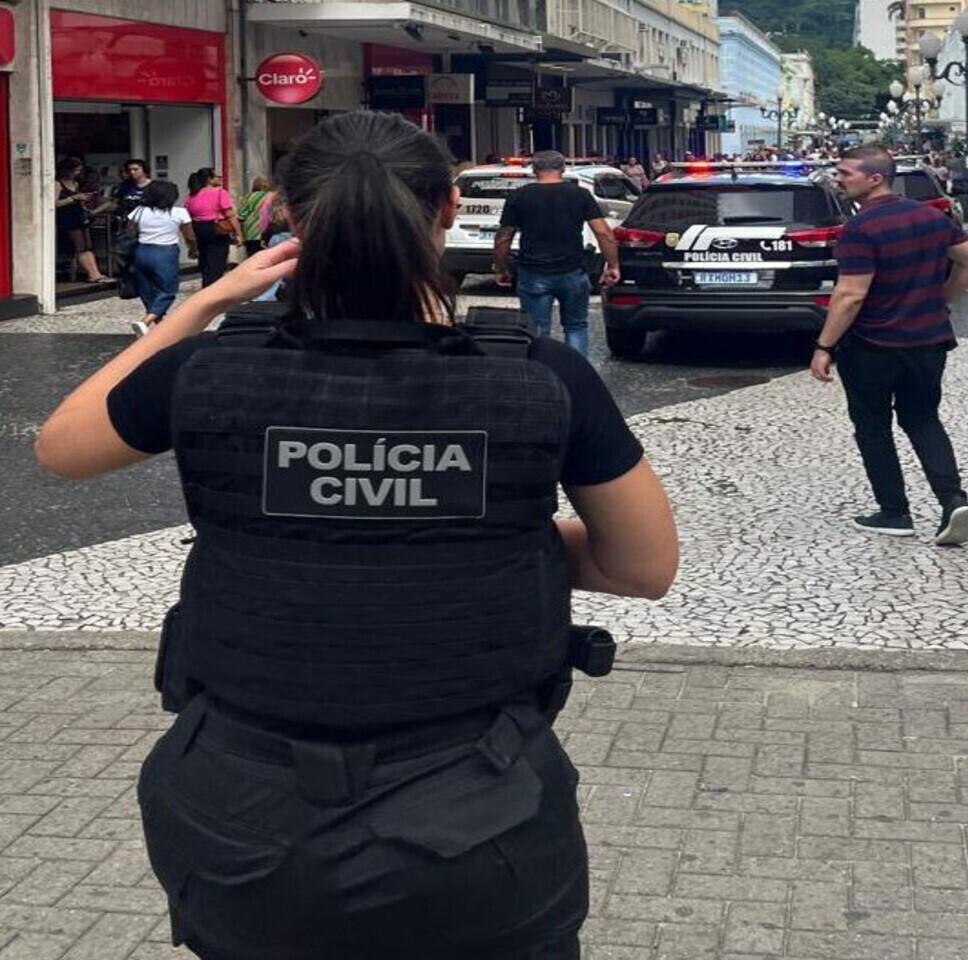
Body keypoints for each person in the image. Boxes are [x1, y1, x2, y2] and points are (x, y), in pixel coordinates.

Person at [34, 109, 678, 960]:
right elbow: (643, 567)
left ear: (292, 221)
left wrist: (209, 302)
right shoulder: (540, 375)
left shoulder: (210, 369)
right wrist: (471, 533)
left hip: (238, 821)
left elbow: (61, 449)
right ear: (449, 207)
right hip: (480, 819)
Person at [812, 144, 968, 546]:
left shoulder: (861, 228)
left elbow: (850, 296)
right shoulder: (931, 217)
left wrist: (824, 346)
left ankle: (894, 512)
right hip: (929, 340)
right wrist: (942, 297)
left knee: (873, 426)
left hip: (872, 344)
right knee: (923, 418)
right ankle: (952, 502)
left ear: (874, 178)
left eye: (845, 173)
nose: (837, 179)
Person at [493, 150, 620, 357]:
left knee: (537, 330)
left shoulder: (519, 196)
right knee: (576, 327)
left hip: (533, 272)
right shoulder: (579, 194)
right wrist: (613, 266)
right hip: (572, 271)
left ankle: (541, 376)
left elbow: (504, 237)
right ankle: (576, 377)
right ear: (563, 169)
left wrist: (500, 267)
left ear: (534, 170)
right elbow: (603, 233)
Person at [124, 180, 196, 338]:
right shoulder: (179, 213)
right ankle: (146, 321)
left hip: (141, 252)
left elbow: (129, 233)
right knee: (167, 290)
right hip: (165, 253)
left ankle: (161, 325)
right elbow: (189, 236)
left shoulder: (139, 211)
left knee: (146, 290)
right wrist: (193, 249)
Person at [185, 167, 242, 287]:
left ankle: (206, 283)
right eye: (216, 176)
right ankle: (211, 288)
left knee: (205, 259)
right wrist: (238, 233)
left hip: (198, 228)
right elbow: (230, 214)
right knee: (217, 261)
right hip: (216, 228)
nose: (220, 178)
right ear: (209, 179)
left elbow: (188, 213)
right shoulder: (220, 192)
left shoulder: (192, 195)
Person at [56, 158, 108, 283]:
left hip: (78, 215)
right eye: (76, 170)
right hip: (66, 217)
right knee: (80, 246)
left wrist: (83, 200)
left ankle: (95, 273)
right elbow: (54, 203)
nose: (78, 173)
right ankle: (93, 273)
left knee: (87, 246)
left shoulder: (75, 183)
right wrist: (73, 198)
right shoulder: (57, 184)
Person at [236, 176, 276, 257]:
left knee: (252, 255)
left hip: (250, 231)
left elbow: (241, 214)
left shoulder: (248, 197)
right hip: (267, 230)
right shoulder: (271, 196)